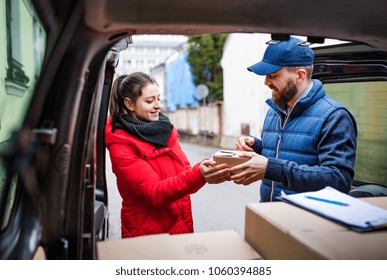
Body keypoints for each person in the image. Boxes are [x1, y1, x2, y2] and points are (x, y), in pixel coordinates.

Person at [230, 36, 357, 202]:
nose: (266, 82)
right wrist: (255, 146)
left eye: (273, 76)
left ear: (300, 75)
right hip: (268, 213)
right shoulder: (274, 111)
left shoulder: (334, 116)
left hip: (306, 221)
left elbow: (338, 180)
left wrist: (272, 169)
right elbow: (285, 154)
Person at [105, 72, 230, 238]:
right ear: (129, 104)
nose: (157, 105)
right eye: (149, 101)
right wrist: (199, 174)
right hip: (147, 233)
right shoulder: (121, 143)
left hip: (181, 225)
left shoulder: (165, 130)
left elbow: (186, 172)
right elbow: (154, 193)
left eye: (158, 98)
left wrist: (207, 170)